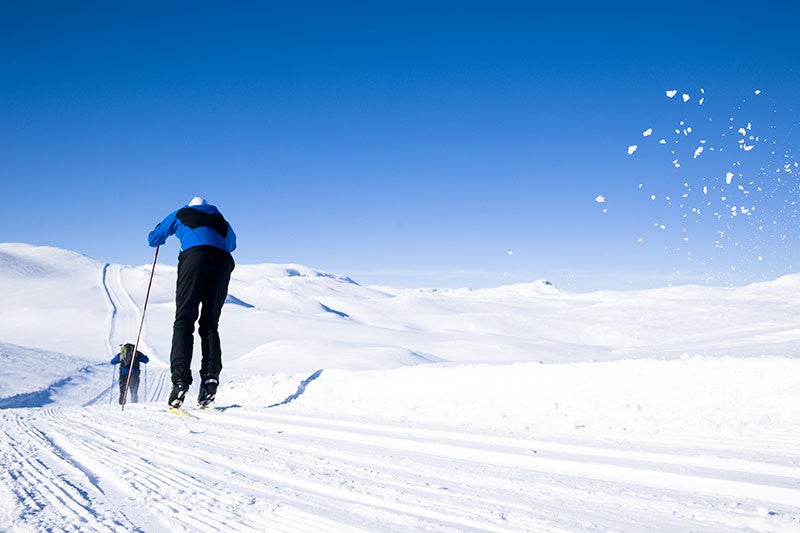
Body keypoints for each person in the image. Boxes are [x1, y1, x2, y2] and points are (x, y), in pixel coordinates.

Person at [148, 196, 236, 408]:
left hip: (194, 258)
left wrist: (159, 229)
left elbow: (154, 239)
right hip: (223, 262)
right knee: (210, 324)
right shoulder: (223, 220)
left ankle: (180, 382)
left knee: (184, 320)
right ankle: (210, 380)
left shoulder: (181, 213)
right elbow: (231, 245)